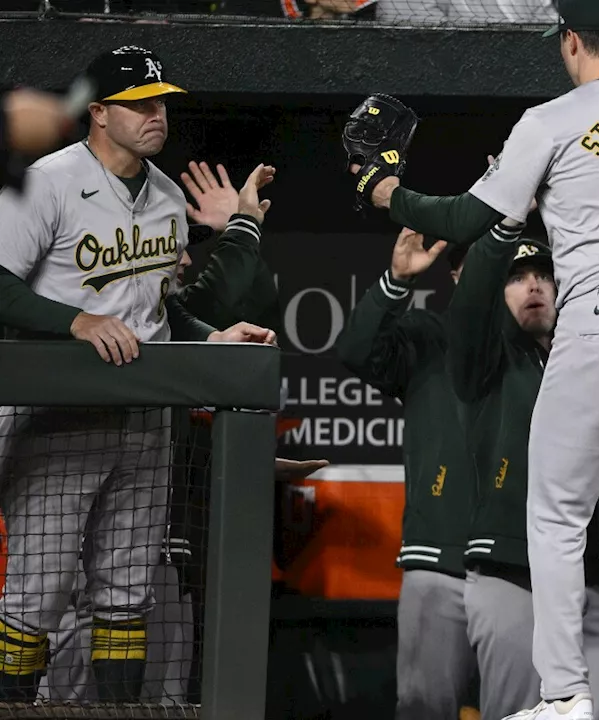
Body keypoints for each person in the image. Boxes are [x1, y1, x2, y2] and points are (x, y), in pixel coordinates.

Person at [350, 0, 599, 715]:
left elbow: (466, 220)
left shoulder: (553, 118)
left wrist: (385, 189)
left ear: (570, 40)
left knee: (555, 514)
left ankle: (563, 694)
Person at [0, 45, 275, 702]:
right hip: (60, 419)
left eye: (161, 103)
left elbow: (157, 309)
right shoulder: (49, 181)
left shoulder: (168, 196)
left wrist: (214, 337)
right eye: (139, 105)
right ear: (98, 113)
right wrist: (74, 321)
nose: (157, 116)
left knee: (128, 591)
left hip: (145, 420)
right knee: (37, 591)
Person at [444, 215, 599, 720]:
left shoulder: (594, 362)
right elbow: (468, 315)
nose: (533, 284)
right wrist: (502, 222)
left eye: (544, 274)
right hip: (513, 574)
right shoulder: (489, 362)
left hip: (592, 581)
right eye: (516, 276)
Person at [334, 228, 480, 720]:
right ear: (455, 275)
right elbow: (355, 350)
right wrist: (396, 281)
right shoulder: (427, 335)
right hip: (439, 561)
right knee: (423, 709)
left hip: (523, 570)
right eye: (468, 263)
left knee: (523, 708)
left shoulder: (549, 351)